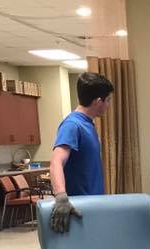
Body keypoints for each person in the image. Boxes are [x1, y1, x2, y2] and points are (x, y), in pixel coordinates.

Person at [48, 72, 114, 233]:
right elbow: (56, 161)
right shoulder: (72, 125)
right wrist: (61, 196)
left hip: (93, 205)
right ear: (99, 101)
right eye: (108, 100)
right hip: (79, 211)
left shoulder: (88, 124)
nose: (109, 105)